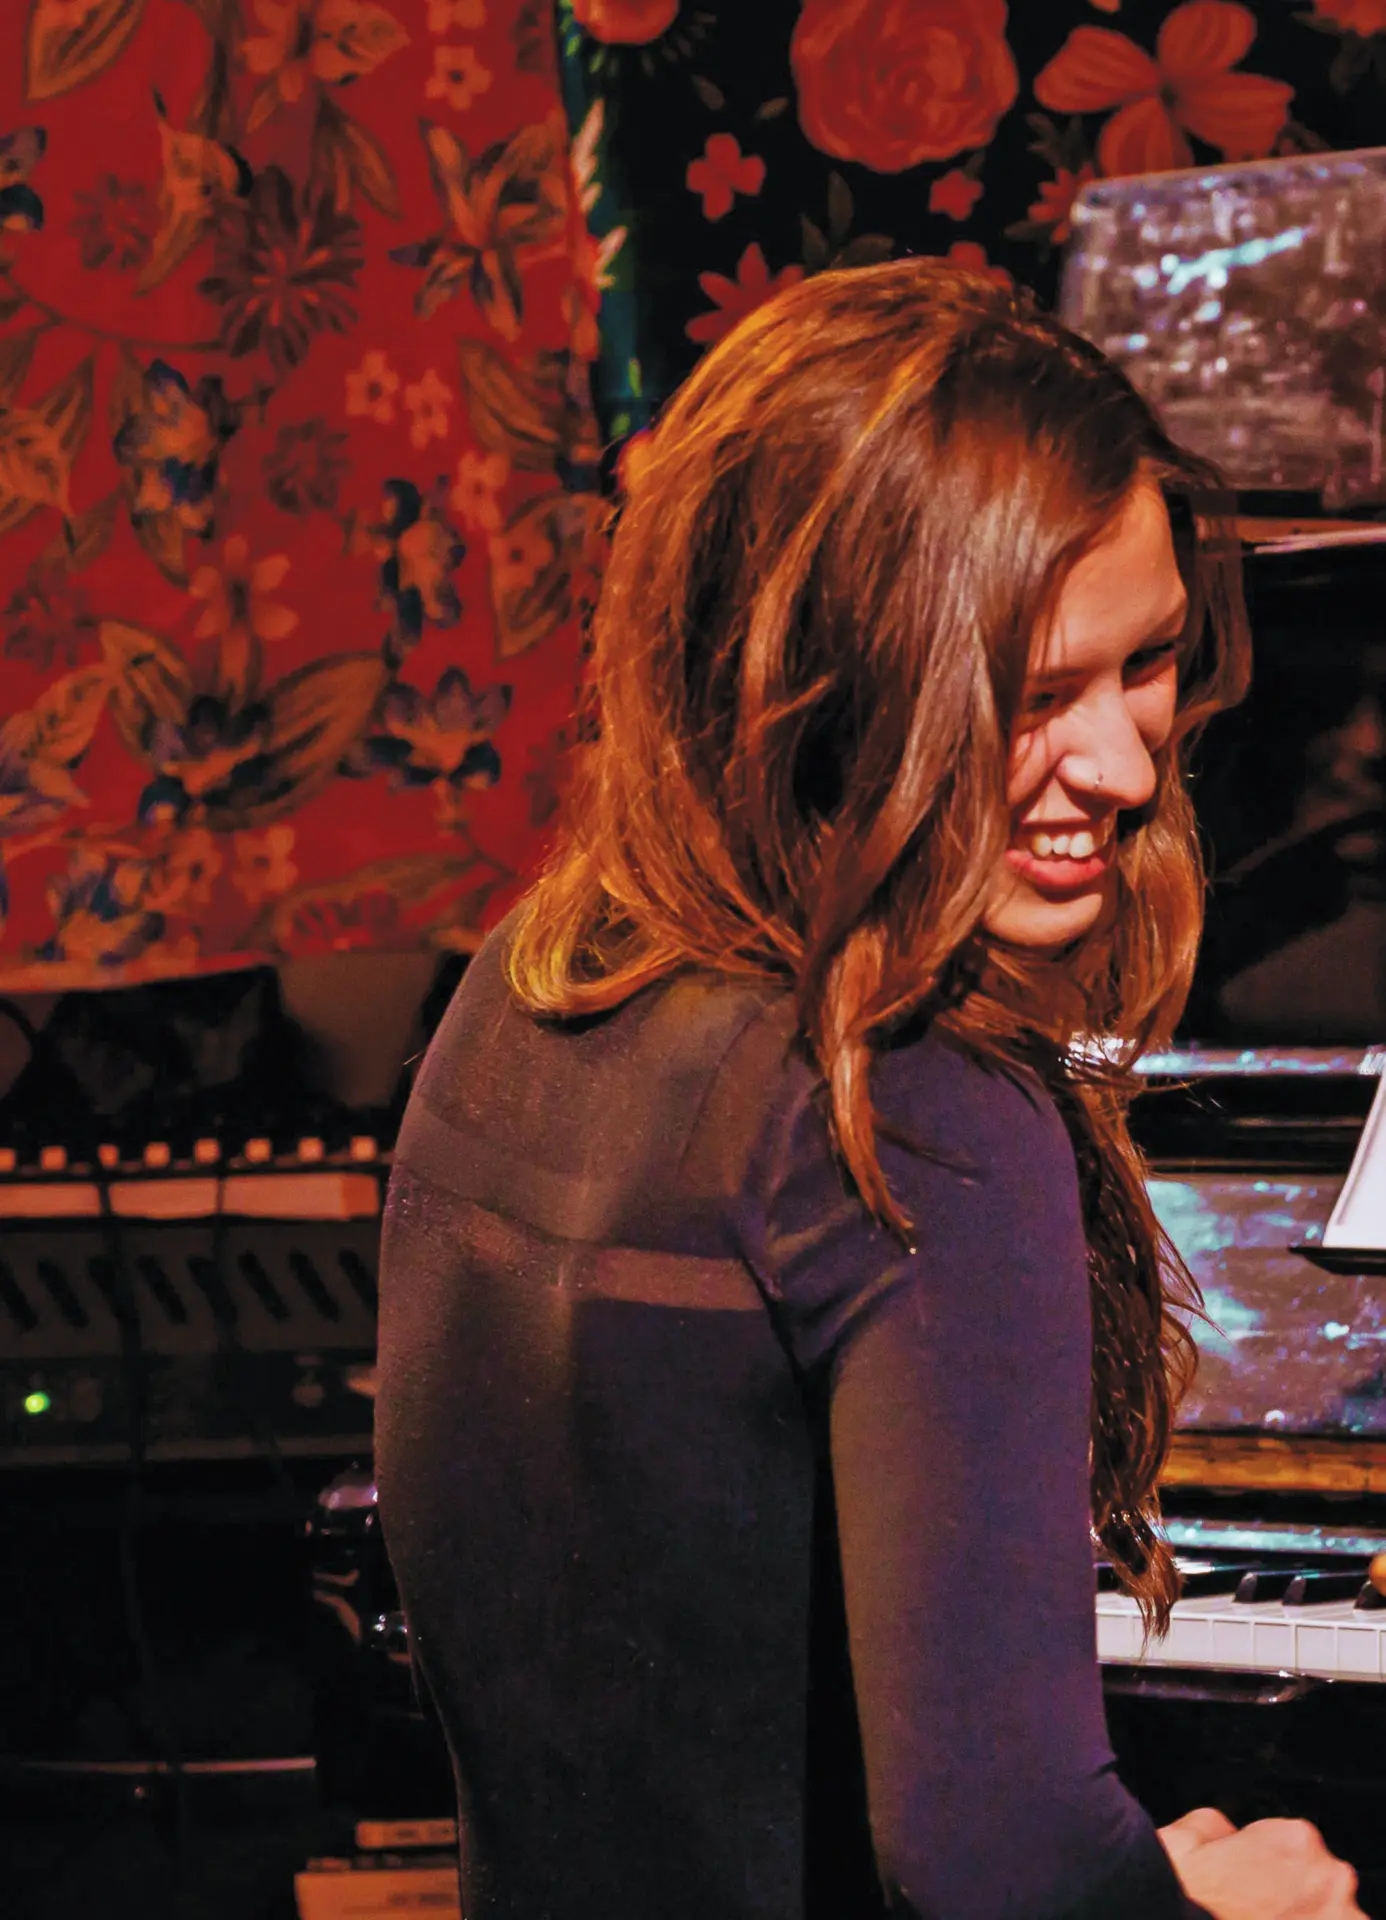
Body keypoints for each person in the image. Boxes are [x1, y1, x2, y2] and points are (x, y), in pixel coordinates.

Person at [375, 260, 1364, 1919]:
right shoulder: (906, 1107)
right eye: (1032, 695)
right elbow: (997, 1865)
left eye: (1146, 668)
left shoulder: (537, 973)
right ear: (823, 677)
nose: (1125, 767)